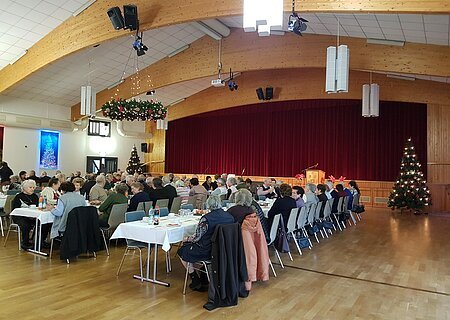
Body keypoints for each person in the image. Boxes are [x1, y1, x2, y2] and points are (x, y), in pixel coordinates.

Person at [177, 195, 234, 291]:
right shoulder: (229, 216)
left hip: (206, 250)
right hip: (223, 249)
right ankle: (204, 273)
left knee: (182, 251)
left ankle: (195, 279)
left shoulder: (206, 219)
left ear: (208, 205)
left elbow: (196, 238)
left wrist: (186, 239)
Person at [11, 180, 40, 250]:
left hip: (32, 216)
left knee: (41, 222)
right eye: (30, 187)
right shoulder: (18, 196)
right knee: (25, 225)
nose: (32, 189)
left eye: (33, 187)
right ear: (24, 188)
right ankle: (25, 243)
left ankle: (38, 241)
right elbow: (15, 209)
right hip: (19, 216)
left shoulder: (35, 196)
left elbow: (38, 207)